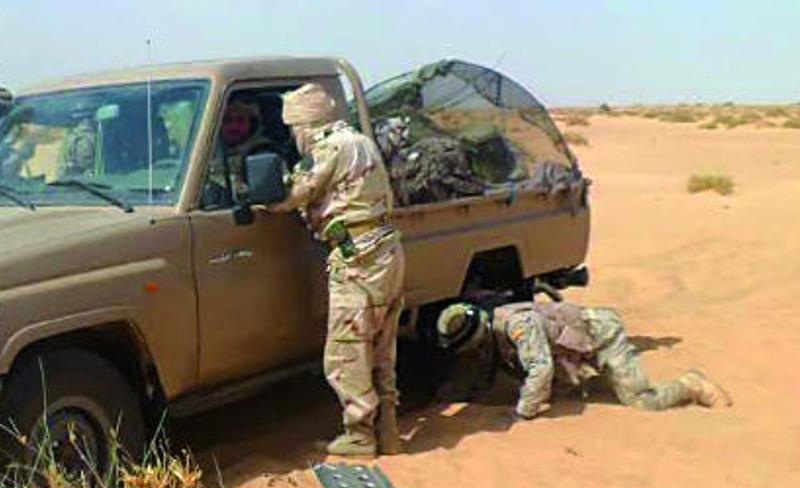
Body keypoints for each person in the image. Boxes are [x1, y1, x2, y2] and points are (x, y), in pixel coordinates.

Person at [268, 83, 405, 456]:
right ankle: (388, 429)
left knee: (345, 350)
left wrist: (263, 189)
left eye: (292, 127)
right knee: (380, 346)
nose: (293, 135)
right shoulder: (358, 140)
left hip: (357, 257)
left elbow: (291, 196)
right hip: (383, 249)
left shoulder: (328, 147)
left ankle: (360, 434)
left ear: (304, 124)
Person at [436, 300, 731, 420]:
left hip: (602, 336)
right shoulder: (496, 329)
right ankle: (606, 382)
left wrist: (523, 413)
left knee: (642, 401)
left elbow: (541, 368)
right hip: (577, 350)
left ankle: (691, 385)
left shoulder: (518, 325)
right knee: (577, 392)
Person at [203, 101, 286, 208]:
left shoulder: (262, 152)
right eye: (227, 120)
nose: (234, 126)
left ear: (251, 124)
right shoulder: (203, 153)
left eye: (241, 120)